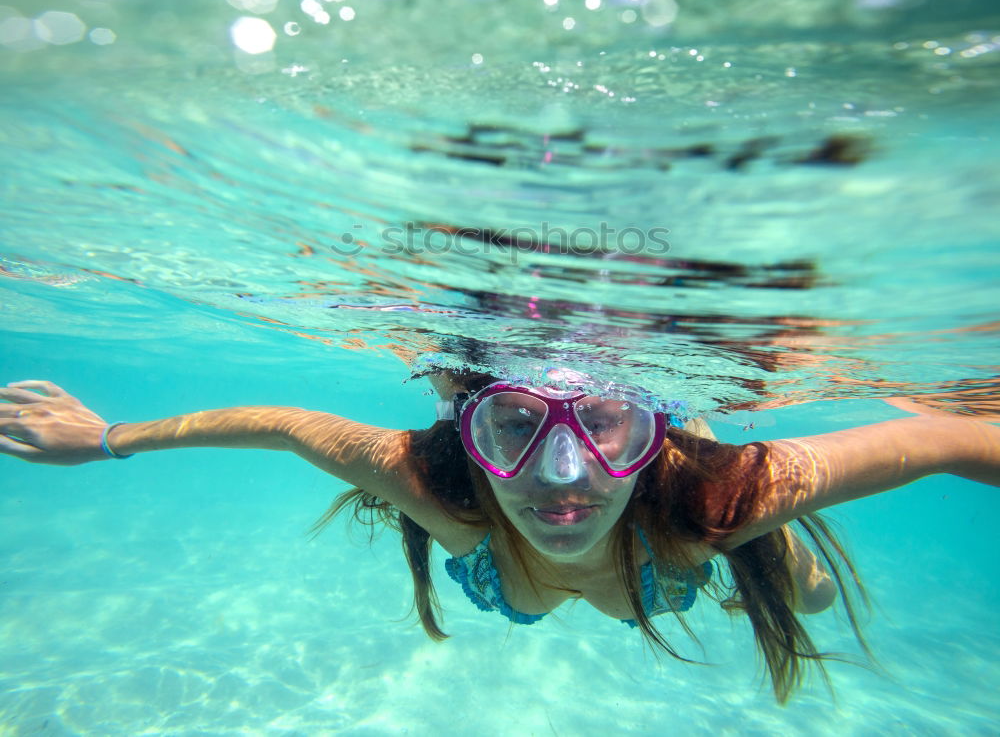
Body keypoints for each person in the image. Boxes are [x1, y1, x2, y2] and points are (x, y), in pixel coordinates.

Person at [2, 368, 998, 703]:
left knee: (807, 589)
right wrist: (101, 438)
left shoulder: (715, 496)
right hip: (610, 559)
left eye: (606, 420)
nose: (559, 481)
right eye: (512, 425)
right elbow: (282, 425)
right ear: (467, 434)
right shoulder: (445, 491)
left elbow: (946, 433)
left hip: (683, 545)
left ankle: (700, 467)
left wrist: (104, 442)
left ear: (646, 432)